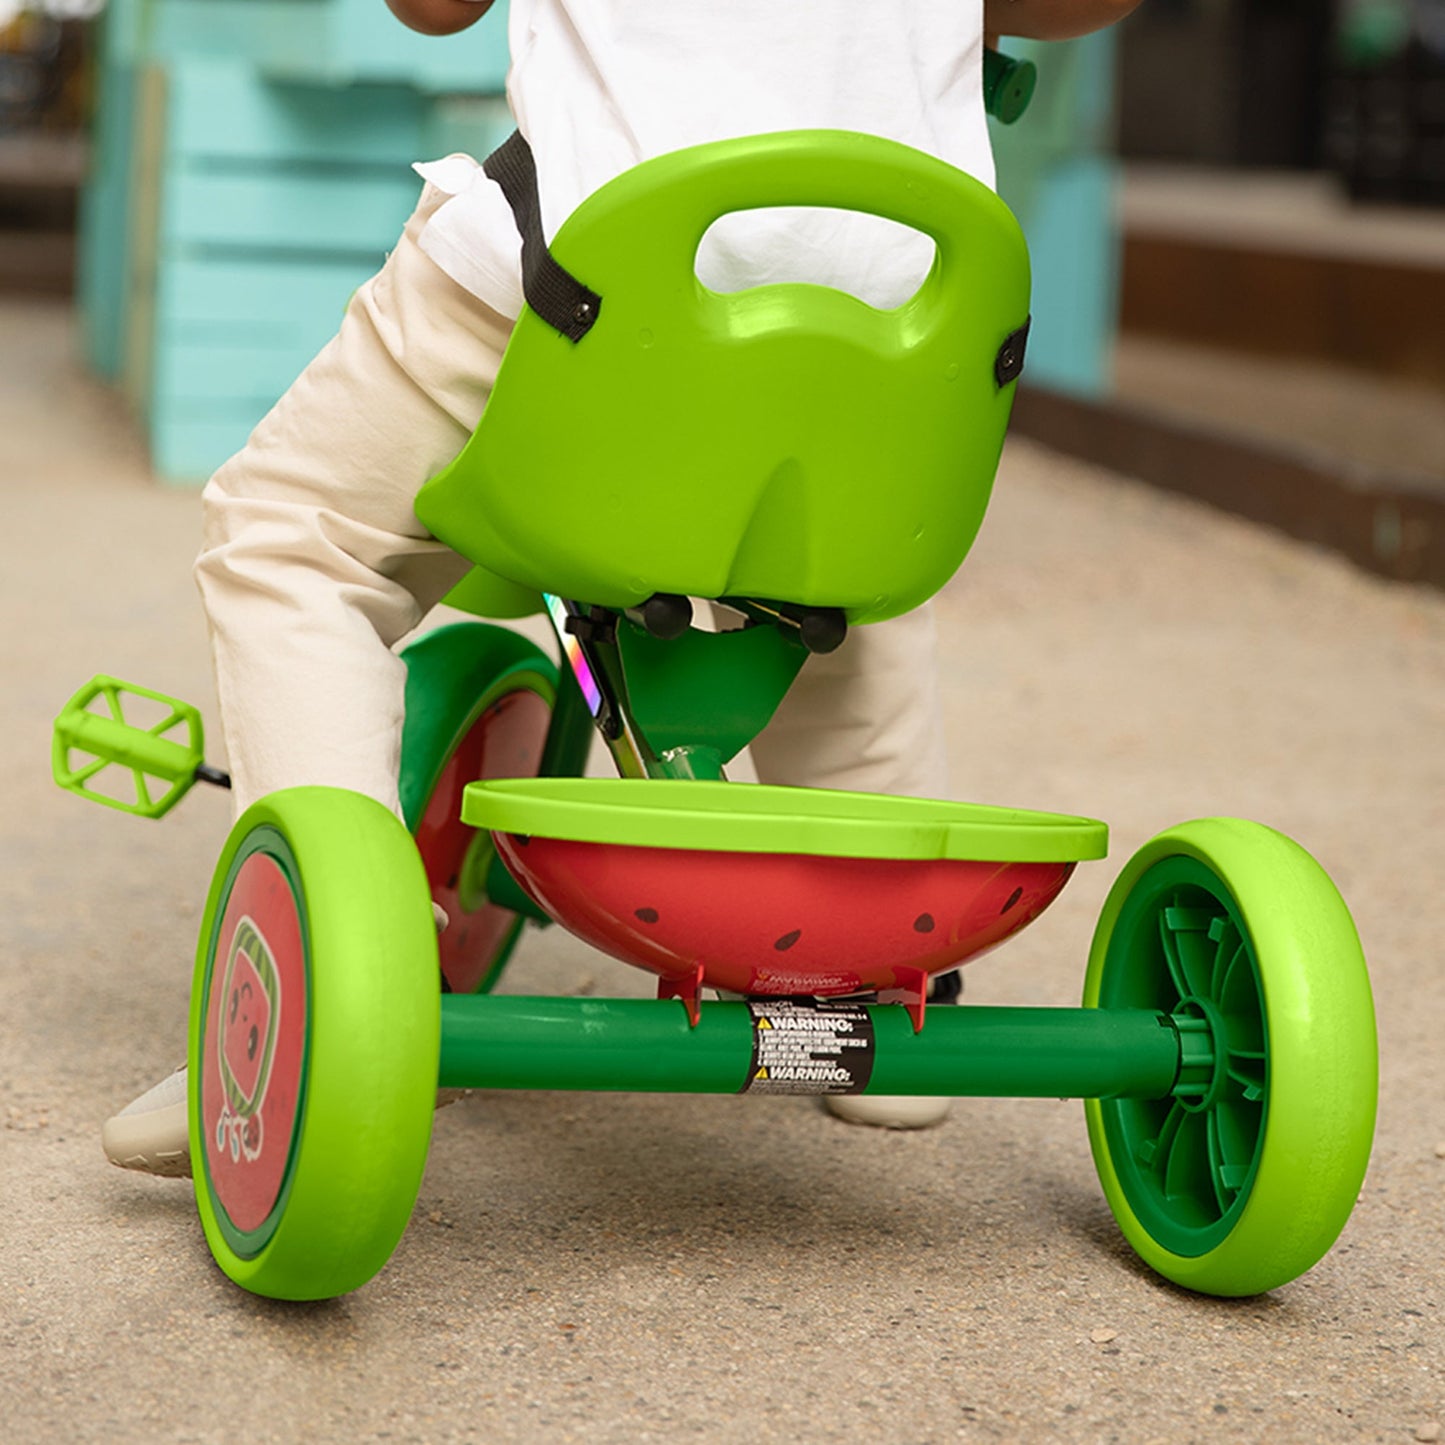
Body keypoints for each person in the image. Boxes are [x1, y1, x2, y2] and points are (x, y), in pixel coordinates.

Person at [101, 0, 1146, 1176]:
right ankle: (886, 981)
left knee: (294, 535)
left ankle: (319, 983)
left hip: (593, 291)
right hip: (898, 308)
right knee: (838, 562)